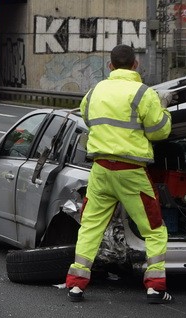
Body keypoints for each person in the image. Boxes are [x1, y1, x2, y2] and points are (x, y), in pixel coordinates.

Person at [65, 44, 174, 304]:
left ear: (110, 66)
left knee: (91, 226)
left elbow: (88, 120)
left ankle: (76, 285)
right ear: (136, 65)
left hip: (101, 170)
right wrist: (165, 109)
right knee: (154, 228)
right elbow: (159, 132)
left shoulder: (94, 92)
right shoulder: (143, 93)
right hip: (131, 173)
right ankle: (156, 287)